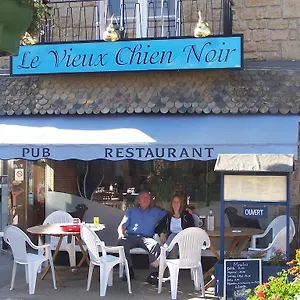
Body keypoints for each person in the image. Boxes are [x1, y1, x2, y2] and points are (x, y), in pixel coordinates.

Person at [117, 190, 167, 284]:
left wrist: (162, 232)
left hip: (147, 238)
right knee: (121, 243)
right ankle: (129, 270)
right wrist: (121, 234)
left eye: (148, 197)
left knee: (155, 245)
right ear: (138, 201)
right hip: (132, 236)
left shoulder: (156, 211)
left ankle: (153, 274)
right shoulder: (131, 211)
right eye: (144, 197)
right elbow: (122, 226)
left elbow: (171, 215)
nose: (146, 199)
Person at [155, 193, 195, 258]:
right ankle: (172, 267)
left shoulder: (187, 216)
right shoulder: (169, 216)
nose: (175, 204)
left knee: (173, 235)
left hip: (184, 240)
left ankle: (161, 257)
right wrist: (161, 233)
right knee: (173, 247)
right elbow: (158, 228)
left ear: (181, 204)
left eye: (177, 202)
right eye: (174, 202)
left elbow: (191, 230)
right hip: (173, 242)